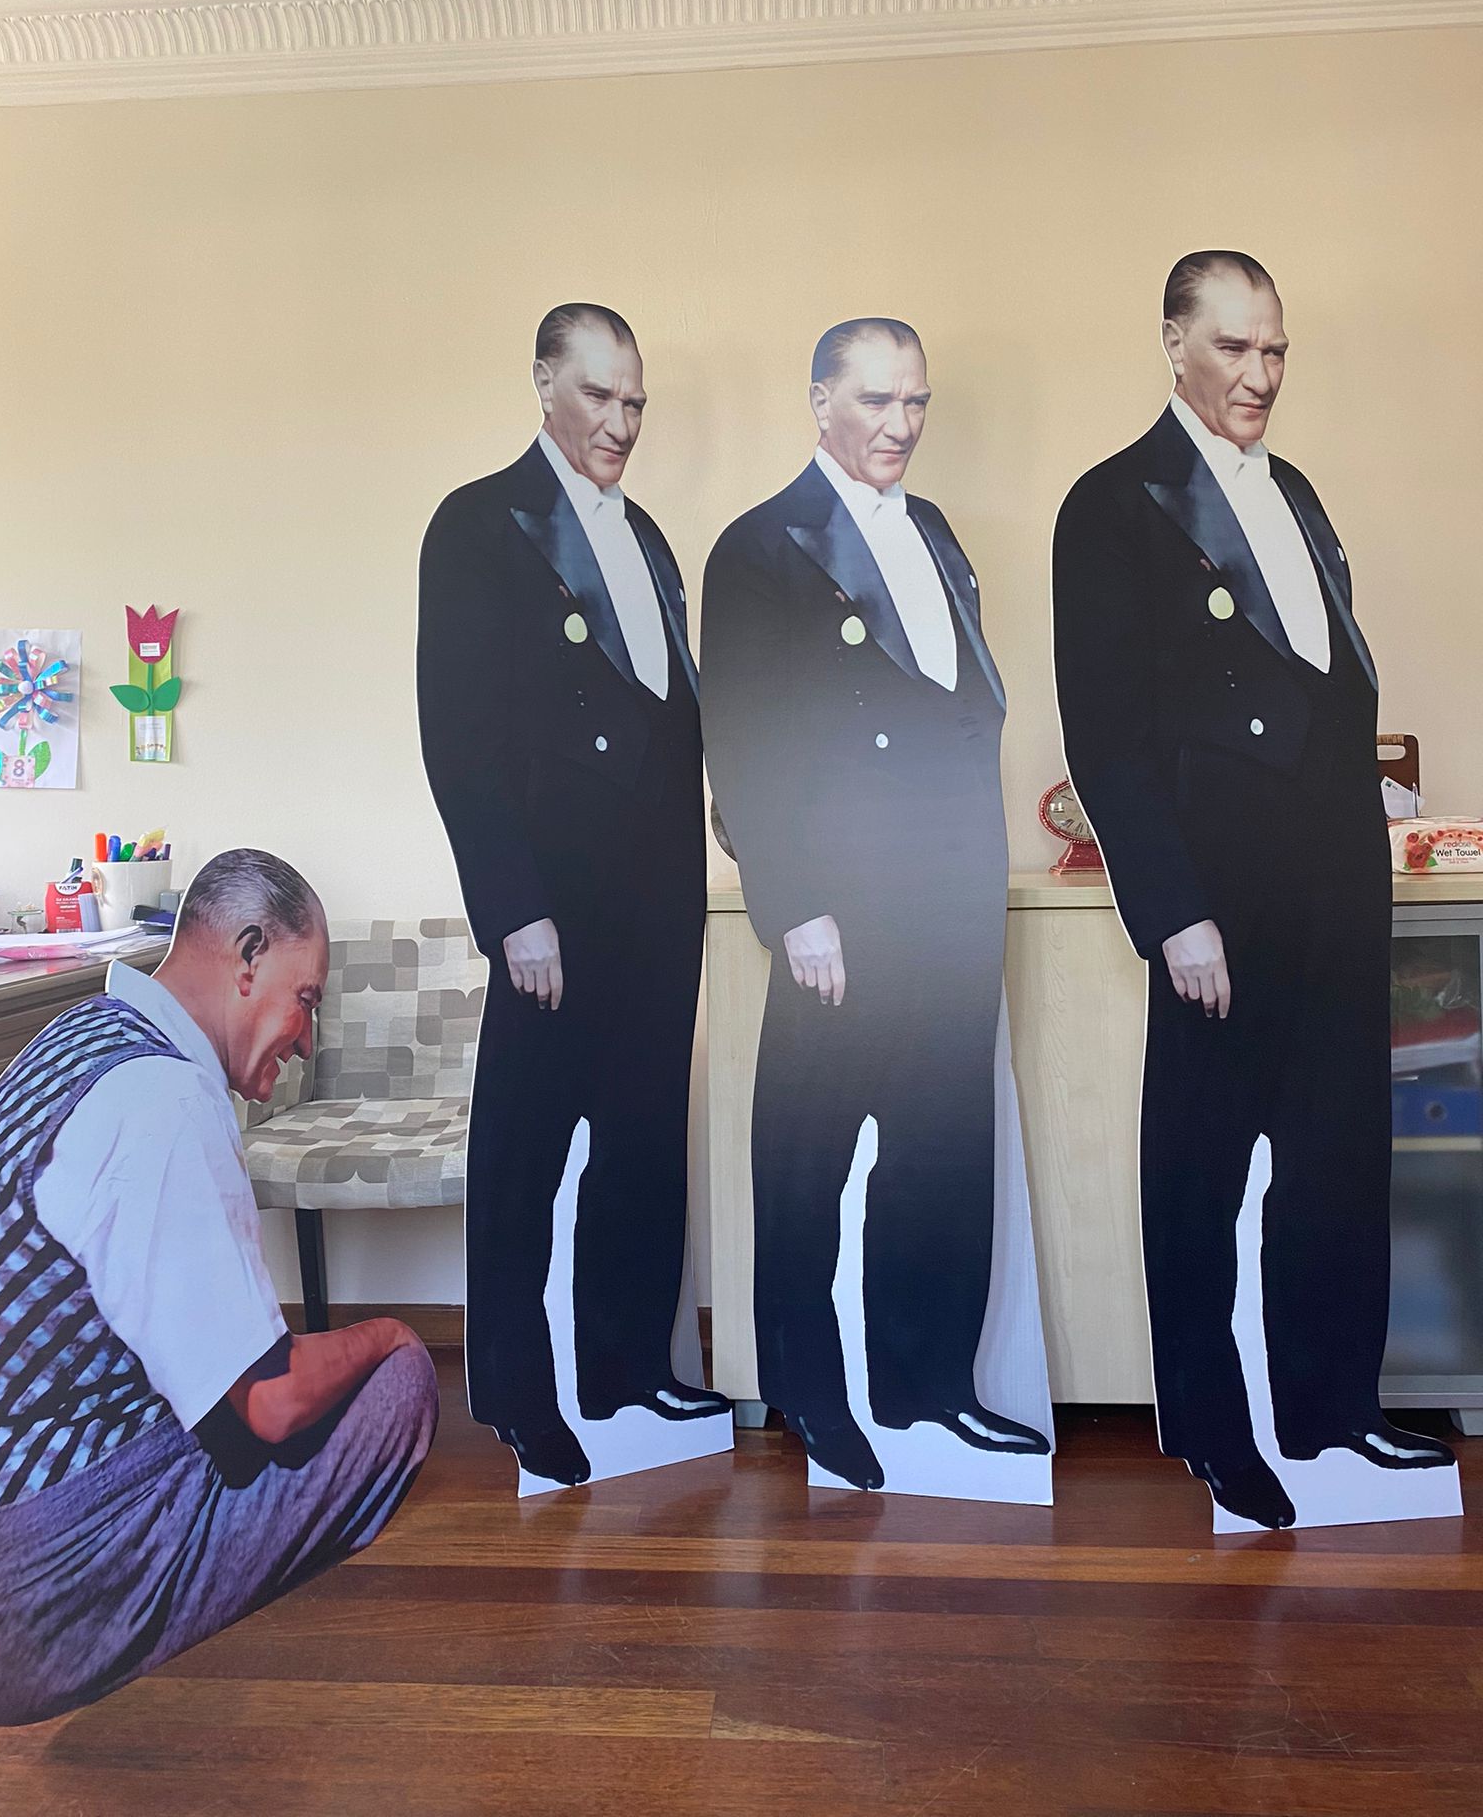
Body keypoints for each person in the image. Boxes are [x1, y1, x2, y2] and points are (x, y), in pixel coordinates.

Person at [1051, 251, 1454, 1530]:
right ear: (1174, 342)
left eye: (1275, 348)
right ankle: (1217, 1431)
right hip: (1216, 894)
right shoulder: (1111, 503)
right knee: (1206, 1165)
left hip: (1335, 872)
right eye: (1234, 346)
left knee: (1338, 1155)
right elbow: (1106, 736)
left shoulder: (1298, 492)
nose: (1260, 374)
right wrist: (1173, 910)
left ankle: (1330, 1408)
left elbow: (1327, 683)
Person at [0, 849, 437, 1726]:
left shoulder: (76, 1041)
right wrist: (391, 1333)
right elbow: (271, 1404)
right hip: (34, 1595)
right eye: (306, 999)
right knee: (398, 1386)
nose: (307, 1039)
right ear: (248, 955)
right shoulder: (162, 1101)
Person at [701, 317, 1049, 1490]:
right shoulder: (759, 545)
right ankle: (810, 1394)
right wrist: (795, 901)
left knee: (941, 1150)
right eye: (876, 400)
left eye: (916, 402)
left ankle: (929, 1387)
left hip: (951, 888)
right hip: (839, 907)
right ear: (820, 401)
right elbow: (742, 738)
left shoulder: (936, 529)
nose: (901, 424)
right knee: (810, 1154)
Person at [417, 303, 729, 1487]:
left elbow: (670, 710)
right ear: (544, 382)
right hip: (553, 898)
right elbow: (460, 736)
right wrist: (513, 905)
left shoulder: (647, 537)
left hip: (659, 894)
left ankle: (623, 1368)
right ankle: (514, 1390)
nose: (621, 421)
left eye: (636, 400)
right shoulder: (478, 523)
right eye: (600, 394)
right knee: (529, 1147)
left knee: (643, 1138)